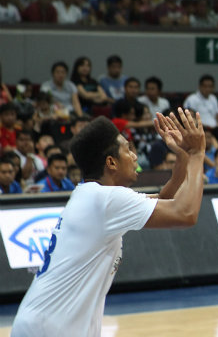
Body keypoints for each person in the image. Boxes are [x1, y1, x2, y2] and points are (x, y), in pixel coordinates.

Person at [11, 108, 205, 337]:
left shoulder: (96, 195)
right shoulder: (105, 199)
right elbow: (185, 213)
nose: (134, 156)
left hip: (47, 325)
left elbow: (166, 200)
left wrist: (182, 156)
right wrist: (197, 154)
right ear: (111, 162)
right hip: (50, 329)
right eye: (128, 150)